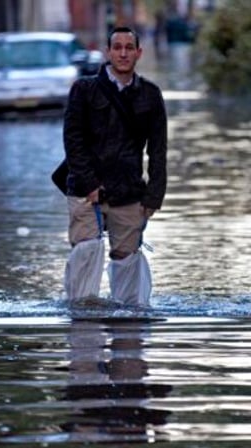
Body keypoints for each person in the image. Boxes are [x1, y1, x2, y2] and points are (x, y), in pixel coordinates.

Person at [61, 26, 168, 306]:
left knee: (128, 261)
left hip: (130, 191)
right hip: (85, 191)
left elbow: (158, 151)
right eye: (117, 47)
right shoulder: (83, 90)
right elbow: (73, 140)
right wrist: (89, 184)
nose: (123, 53)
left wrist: (154, 197)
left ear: (138, 53)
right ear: (108, 52)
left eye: (128, 47)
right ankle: (83, 333)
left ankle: (129, 338)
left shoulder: (150, 95)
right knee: (86, 251)